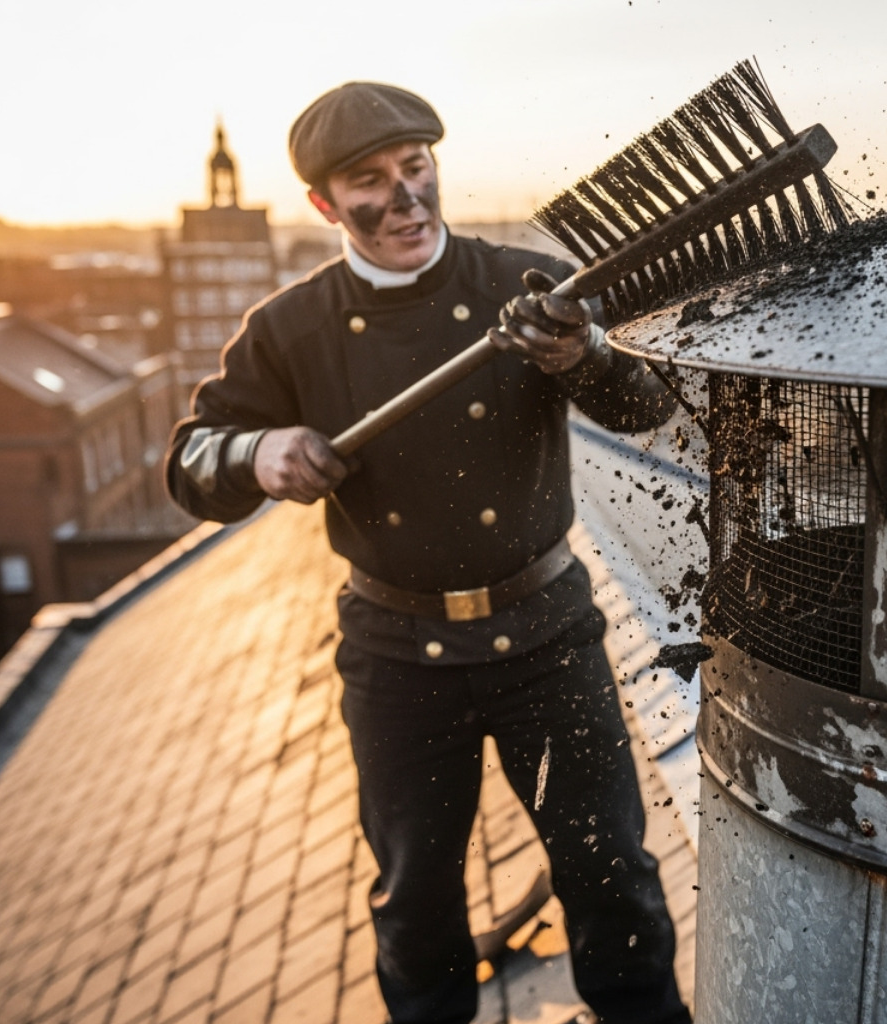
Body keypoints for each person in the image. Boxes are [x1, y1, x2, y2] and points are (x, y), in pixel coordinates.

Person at [164, 81, 690, 1024]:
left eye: (417, 169)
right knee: (416, 912)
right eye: (370, 181)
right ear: (326, 205)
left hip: (548, 639)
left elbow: (648, 406)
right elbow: (191, 464)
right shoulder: (290, 329)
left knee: (614, 884)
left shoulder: (523, 286)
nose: (405, 198)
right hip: (399, 661)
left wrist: (586, 360)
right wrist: (259, 449)